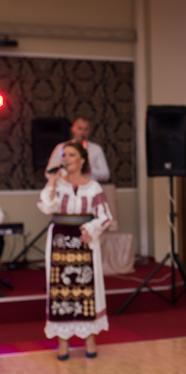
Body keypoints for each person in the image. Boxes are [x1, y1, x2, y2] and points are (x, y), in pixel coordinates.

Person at [38, 141, 112, 360]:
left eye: (71, 155)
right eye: (64, 155)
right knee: (60, 289)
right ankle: (63, 342)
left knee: (86, 289)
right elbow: (46, 207)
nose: (66, 159)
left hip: (84, 239)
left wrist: (91, 228)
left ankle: (89, 340)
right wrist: (52, 183)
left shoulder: (93, 187)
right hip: (60, 240)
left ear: (81, 159)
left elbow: (105, 216)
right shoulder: (57, 184)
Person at [46, 117, 110, 183]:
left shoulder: (96, 149)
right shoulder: (60, 147)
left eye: (86, 129)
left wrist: (89, 171)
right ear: (73, 129)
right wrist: (64, 175)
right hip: (65, 185)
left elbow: (105, 175)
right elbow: (48, 173)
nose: (82, 132)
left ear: (90, 131)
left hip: (88, 186)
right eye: (79, 128)